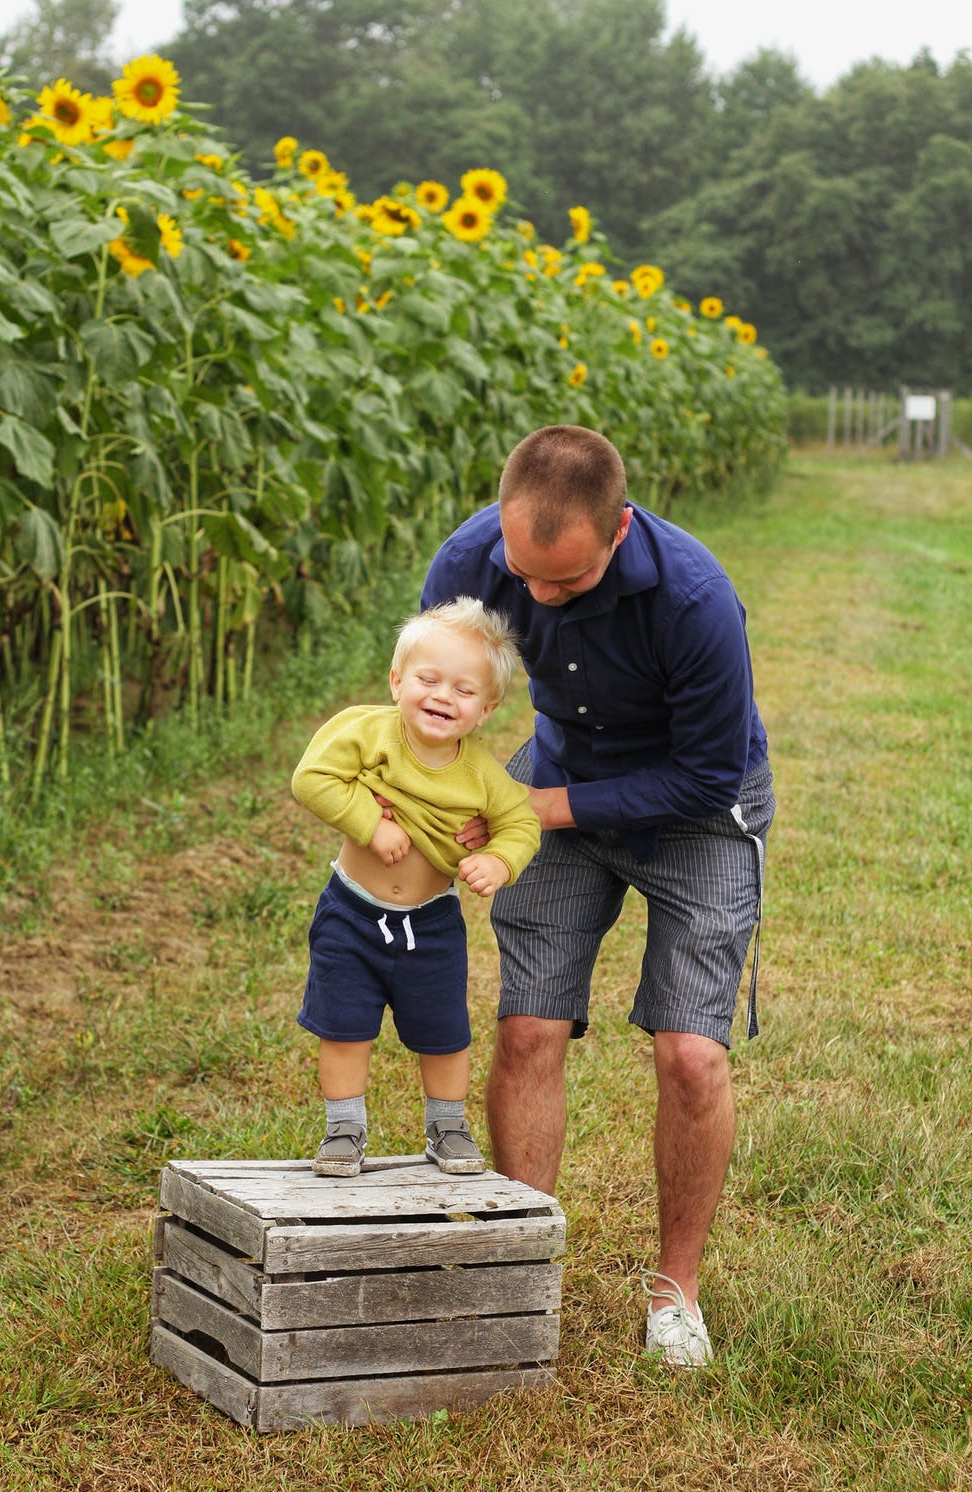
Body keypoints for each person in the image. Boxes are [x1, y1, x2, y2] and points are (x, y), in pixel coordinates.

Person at [421, 424, 775, 1366]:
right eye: (522, 573)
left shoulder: (696, 600)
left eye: (565, 585)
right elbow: (436, 698)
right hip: (559, 774)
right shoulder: (471, 559)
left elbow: (706, 775)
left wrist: (545, 805)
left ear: (618, 532)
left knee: (691, 1054)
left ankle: (675, 1295)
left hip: (697, 807)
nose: (535, 597)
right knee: (528, 1028)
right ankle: (518, 1270)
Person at [291, 597, 541, 1179]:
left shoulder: (480, 772)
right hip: (352, 913)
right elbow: (312, 778)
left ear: (486, 709)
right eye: (428, 679)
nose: (442, 696)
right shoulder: (368, 731)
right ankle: (344, 1129)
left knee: (445, 1032)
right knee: (344, 1026)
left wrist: (500, 863)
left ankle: (447, 1126)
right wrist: (369, 822)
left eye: (463, 689)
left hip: (430, 923)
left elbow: (521, 822)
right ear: (398, 680)